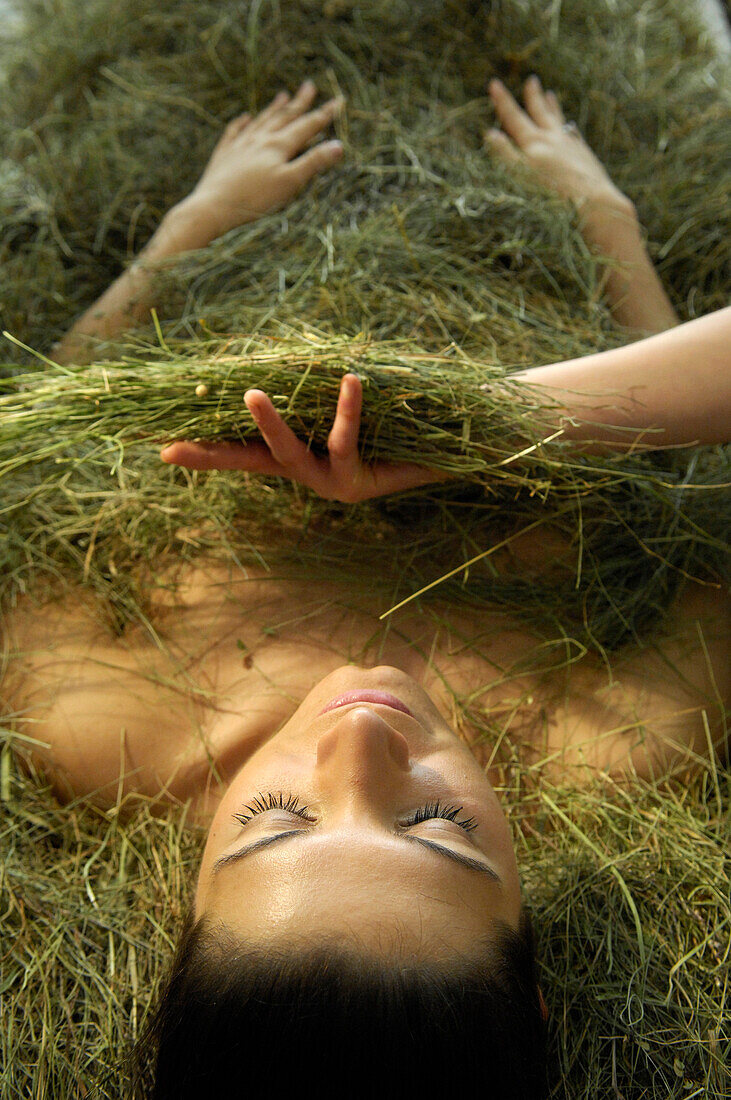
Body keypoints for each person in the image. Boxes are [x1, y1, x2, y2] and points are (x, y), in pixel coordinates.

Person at [4, 77, 729, 1098]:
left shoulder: (87, 706)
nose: (358, 736)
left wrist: (196, 220)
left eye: (277, 820)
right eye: (440, 828)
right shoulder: (624, 730)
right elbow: (695, 486)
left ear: (177, 925)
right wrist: (599, 215)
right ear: (534, 977)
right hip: (533, 219)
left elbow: (41, 445)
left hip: (248, 188)